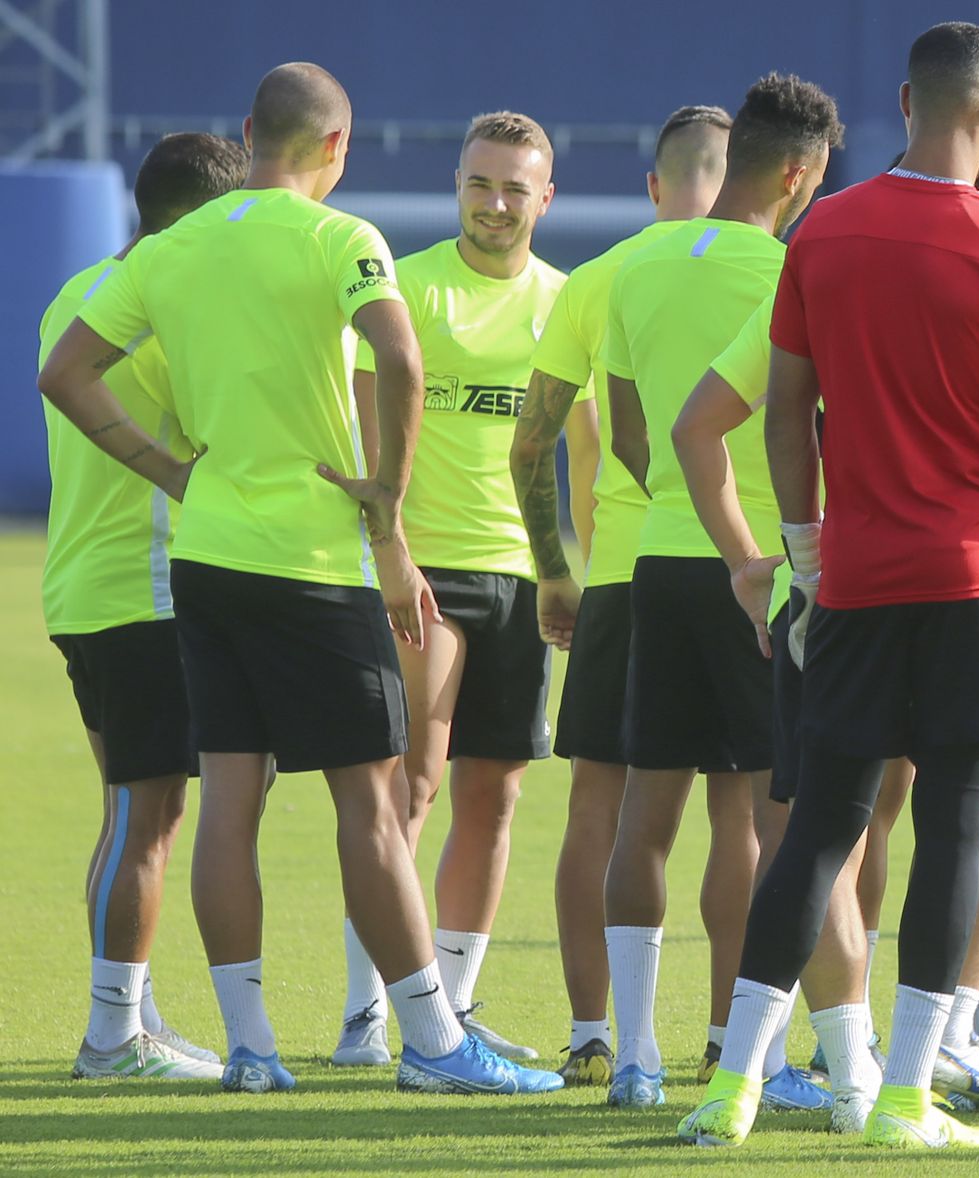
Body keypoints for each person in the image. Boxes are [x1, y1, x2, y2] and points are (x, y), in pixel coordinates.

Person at [39, 62, 560, 1096]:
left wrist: (174, 472)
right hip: (314, 563)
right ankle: (431, 1042)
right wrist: (387, 507)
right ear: (337, 148)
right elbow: (401, 363)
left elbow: (63, 374)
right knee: (368, 806)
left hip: (207, 557)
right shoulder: (343, 239)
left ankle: (250, 1047)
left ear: (250, 131)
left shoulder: (172, 247)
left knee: (226, 801)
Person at [680, 22, 979, 1150]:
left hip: (853, 579)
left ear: (906, 100)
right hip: (976, 578)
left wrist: (805, 553)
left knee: (817, 826)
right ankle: (908, 1092)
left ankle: (731, 1088)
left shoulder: (822, 232)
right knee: (957, 823)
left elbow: (782, 414)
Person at [598, 72, 843, 1111]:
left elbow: (631, 432)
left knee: (644, 811)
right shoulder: (792, 271)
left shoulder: (630, 264)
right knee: (772, 819)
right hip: (765, 565)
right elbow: (815, 424)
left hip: (658, 554)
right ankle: (755, 1054)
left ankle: (635, 1056)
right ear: (798, 172)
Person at [333, 110, 569, 1069]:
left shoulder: (565, 300)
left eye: (516, 187)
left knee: (497, 795)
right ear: (457, 186)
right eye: (481, 183)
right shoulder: (410, 288)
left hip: (517, 575)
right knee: (409, 788)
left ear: (545, 197)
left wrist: (565, 568)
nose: (496, 203)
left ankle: (454, 1009)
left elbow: (569, 455)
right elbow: (361, 432)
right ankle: (370, 1015)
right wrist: (387, 551)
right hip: (419, 573)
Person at [511, 103, 732, 1087]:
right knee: (745, 812)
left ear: (654, 185)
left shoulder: (601, 278)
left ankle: (594, 1029)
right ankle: (735, 1037)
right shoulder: (775, 270)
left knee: (598, 808)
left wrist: (554, 566)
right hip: (738, 569)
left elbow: (534, 438)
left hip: (623, 577)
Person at [40, 131, 248, 1083]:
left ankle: (129, 1017)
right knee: (149, 817)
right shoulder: (170, 315)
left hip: (84, 586)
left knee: (128, 811)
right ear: (202, 222)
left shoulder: (76, 293)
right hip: (145, 591)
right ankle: (112, 1038)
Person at [671, 291, 885, 1132]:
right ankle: (899, 1067)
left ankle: (791, 1072)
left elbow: (692, 427)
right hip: (953, 586)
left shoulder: (818, 282)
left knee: (817, 831)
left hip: (829, 589)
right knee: (960, 823)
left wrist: (762, 560)